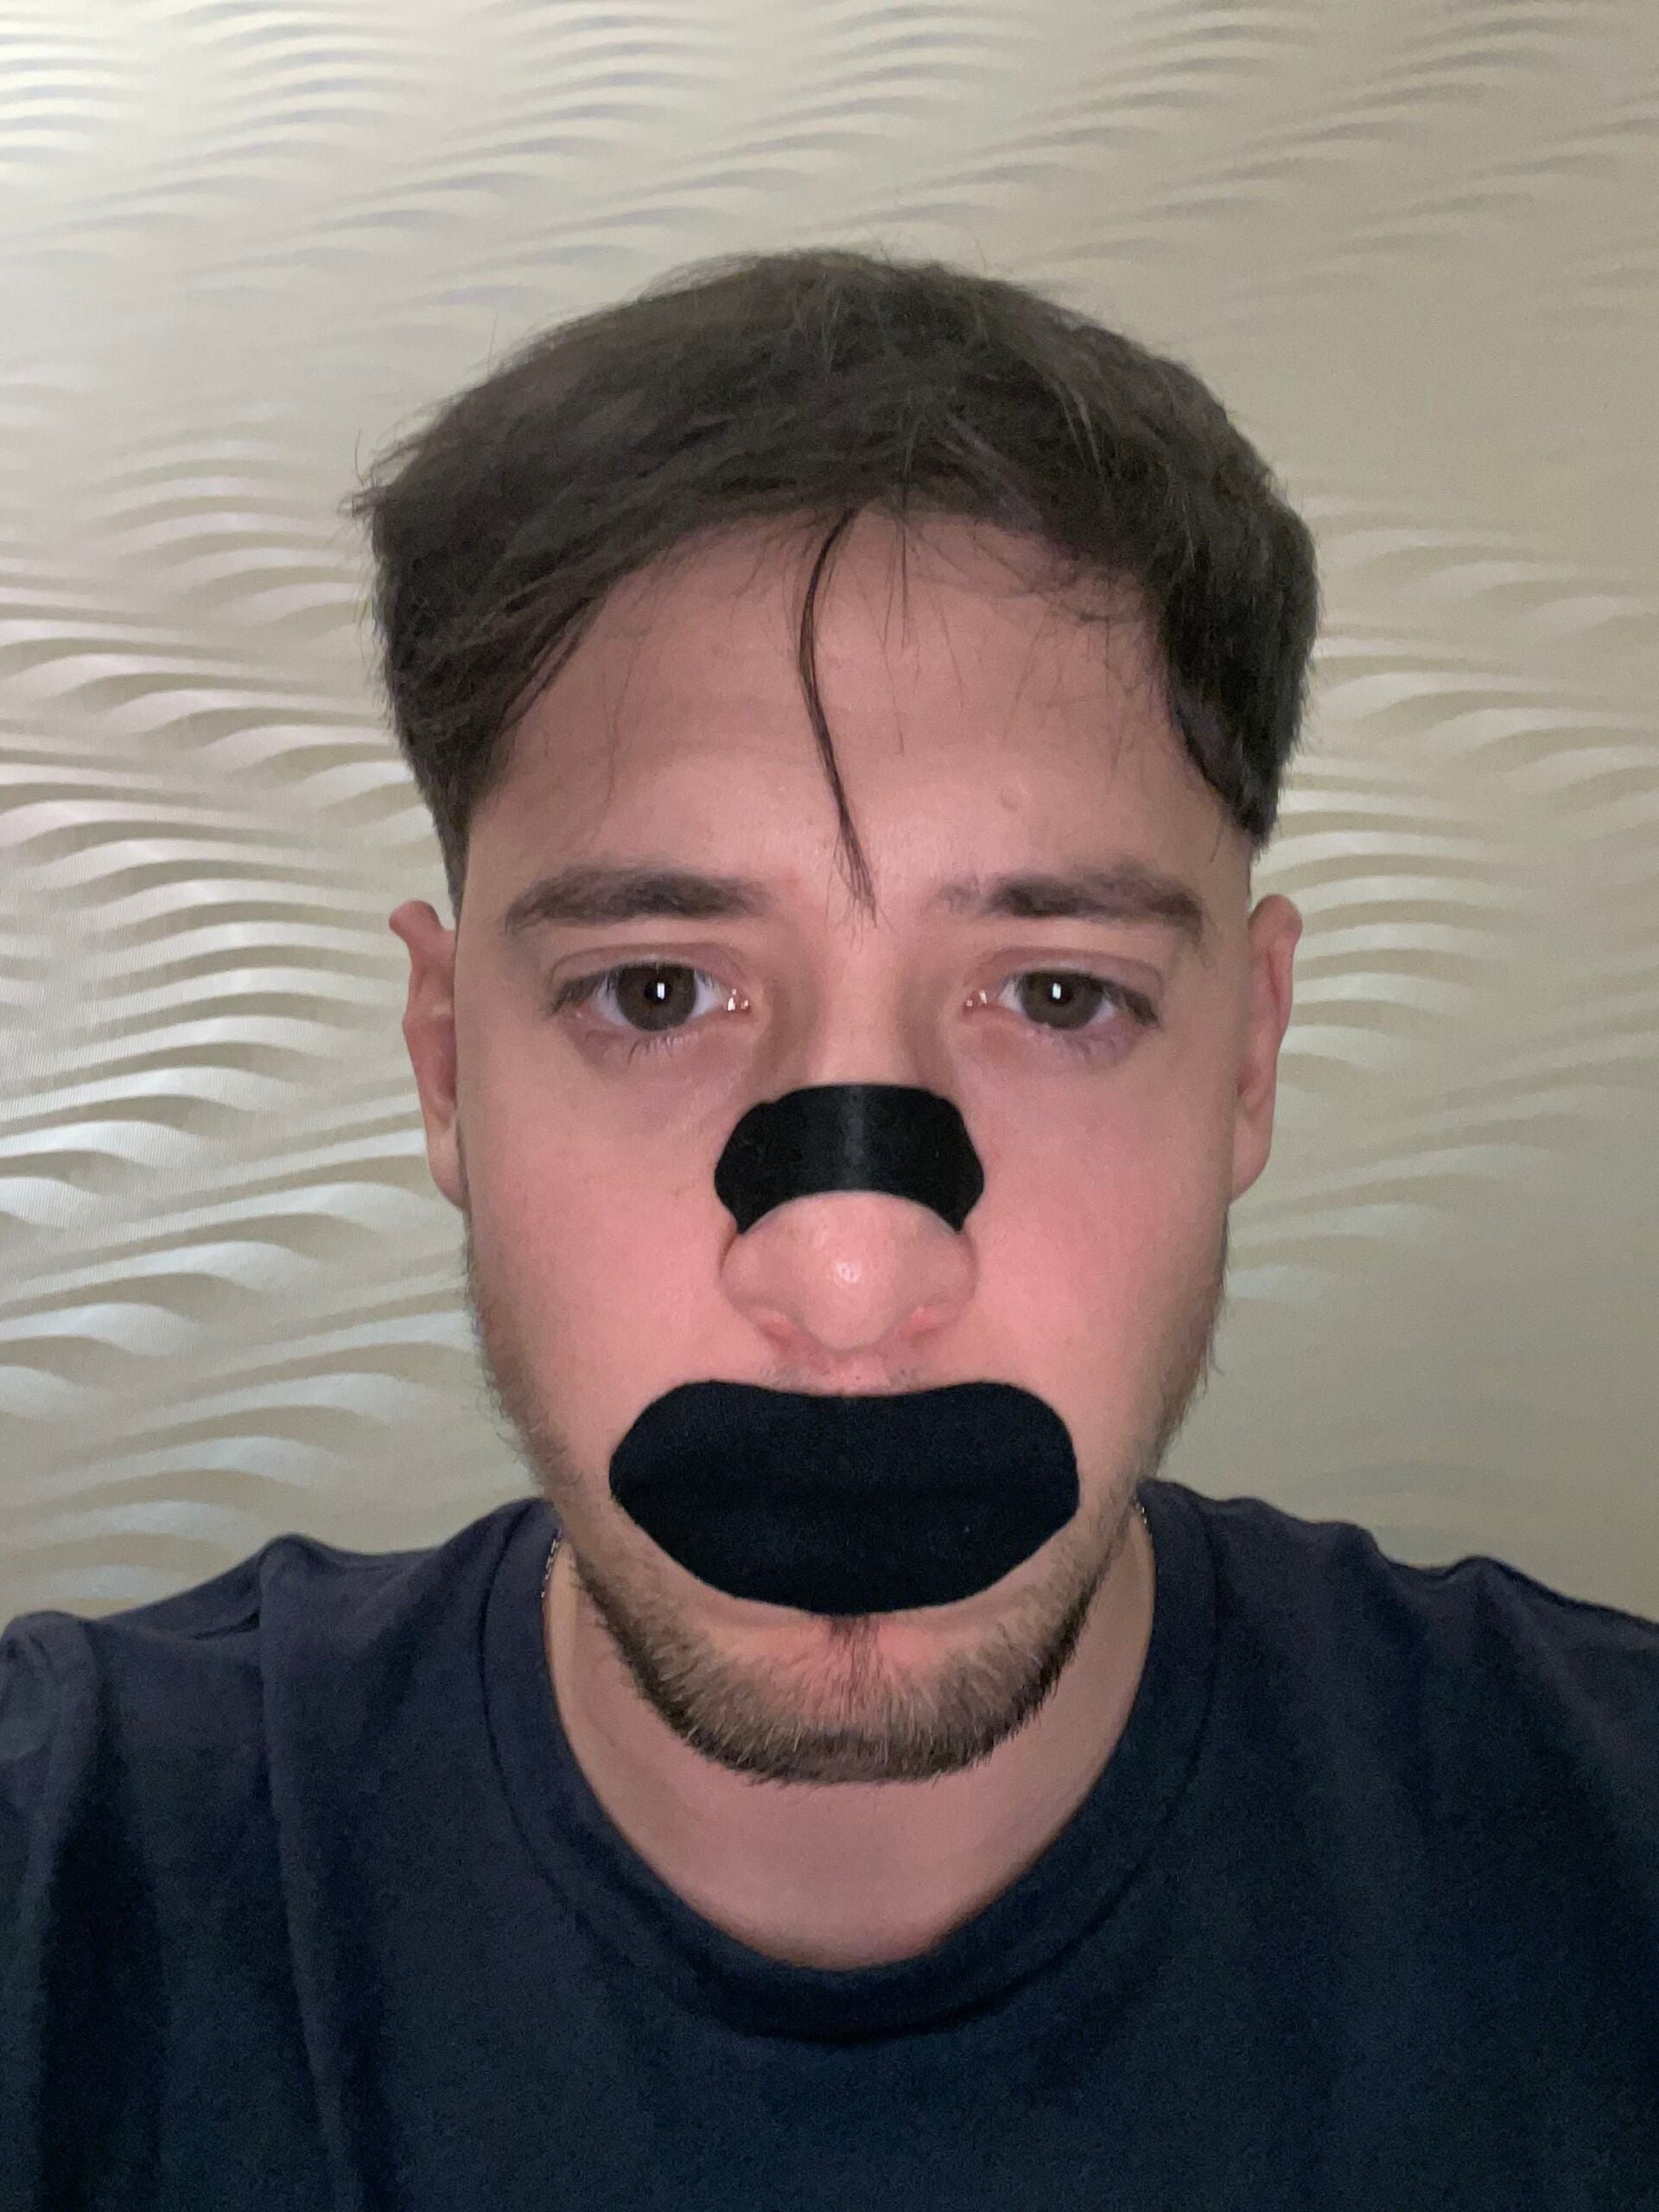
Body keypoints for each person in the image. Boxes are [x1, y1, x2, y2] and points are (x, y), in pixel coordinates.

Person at [2, 246, 1656, 2210]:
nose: (852, 1282)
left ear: (1248, 1061)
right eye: (654, 991)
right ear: (447, 1066)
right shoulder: (62, 1877)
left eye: (1059, 994)